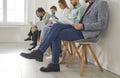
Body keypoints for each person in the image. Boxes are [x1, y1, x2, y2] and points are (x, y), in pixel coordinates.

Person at [21, 0, 109, 72]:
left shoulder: (101, 3)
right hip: (78, 27)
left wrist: (83, 26)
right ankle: (42, 54)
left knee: (56, 34)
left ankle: (48, 59)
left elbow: (102, 24)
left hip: (85, 31)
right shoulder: (89, 4)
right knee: (55, 26)